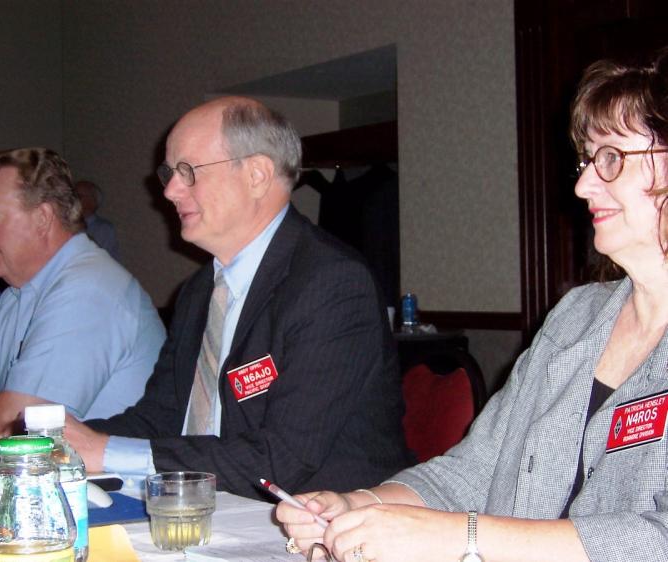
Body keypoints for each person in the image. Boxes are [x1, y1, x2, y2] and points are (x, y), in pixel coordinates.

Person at [277, 49, 668, 562]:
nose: (582, 185)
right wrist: (360, 505)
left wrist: (461, 536)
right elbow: (476, 468)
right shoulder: (576, 317)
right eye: (587, 160)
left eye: (611, 158)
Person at [64, 96, 411, 501]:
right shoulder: (198, 291)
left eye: (188, 171)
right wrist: (66, 444)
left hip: (317, 521)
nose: (171, 190)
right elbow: (161, 418)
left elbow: (281, 460)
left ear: (257, 175)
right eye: (169, 173)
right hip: (213, 510)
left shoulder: (331, 284)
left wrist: (106, 452)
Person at [0, 148, 166, 438]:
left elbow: (21, 424)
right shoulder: (15, 296)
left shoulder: (89, 290)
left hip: (101, 469)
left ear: (42, 218)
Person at [74, 180, 120, 261]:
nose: (73, 200)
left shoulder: (103, 229)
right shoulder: (67, 225)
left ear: (92, 201)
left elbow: (100, 259)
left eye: (78, 196)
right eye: (73, 195)